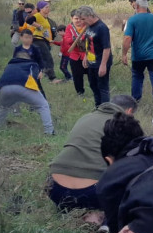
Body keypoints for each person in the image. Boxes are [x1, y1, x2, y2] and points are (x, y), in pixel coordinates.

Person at [47, 95, 138, 224]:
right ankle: (105, 222)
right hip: (90, 192)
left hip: (53, 187)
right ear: (129, 111)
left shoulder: (85, 117)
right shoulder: (124, 124)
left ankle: (68, 210)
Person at [122, 0, 153, 102]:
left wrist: (124, 54)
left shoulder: (132, 20)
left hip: (138, 56)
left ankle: (135, 100)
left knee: (137, 77)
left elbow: (127, 38)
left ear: (137, 6)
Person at [0, 56, 54, 135]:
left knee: (1, 107)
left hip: (3, 88)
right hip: (23, 86)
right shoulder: (33, 63)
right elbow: (34, 78)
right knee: (43, 105)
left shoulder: (10, 65)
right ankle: (49, 132)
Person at [76, 6, 113, 107]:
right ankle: (98, 107)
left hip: (101, 61)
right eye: (81, 19)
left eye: (83, 19)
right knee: (93, 86)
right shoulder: (89, 26)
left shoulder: (102, 28)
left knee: (102, 87)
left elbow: (106, 48)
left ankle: (105, 109)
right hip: (91, 61)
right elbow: (89, 43)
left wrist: (103, 65)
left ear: (91, 15)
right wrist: (85, 57)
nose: (82, 22)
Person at [22, 2, 61, 83]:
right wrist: (38, 26)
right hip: (38, 39)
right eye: (46, 7)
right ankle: (52, 78)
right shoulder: (38, 15)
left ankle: (32, 76)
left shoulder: (45, 18)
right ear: (41, 9)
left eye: (48, 7)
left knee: (40, 59)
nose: (48, 9)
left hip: (43, 40)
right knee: (48, 58)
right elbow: (29, 20)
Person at [62, 10, 88, 96]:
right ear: (72, 18)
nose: (78, 21)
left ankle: (96, 90)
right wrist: (76, 39)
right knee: (77, 76)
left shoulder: (87, 26)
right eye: (76, 18)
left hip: (87, 55)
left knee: (92, 74)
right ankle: (80, 92)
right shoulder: (69, 27)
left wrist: (82, 39)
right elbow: (67, 39)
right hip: (75, 55)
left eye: (80, 19)